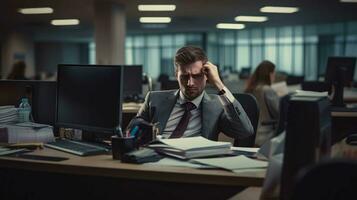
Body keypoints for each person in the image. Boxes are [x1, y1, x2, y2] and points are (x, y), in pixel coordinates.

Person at [127, 46, 253, 142]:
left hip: (195, 165)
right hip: (155, 160)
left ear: (207, 76)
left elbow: (244, 132)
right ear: (176, 75)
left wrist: (219, 84)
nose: (190, 83)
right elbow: (130, 131)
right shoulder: (154, 98)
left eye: (197, 76)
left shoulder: (218, 106)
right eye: (185, 76)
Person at [245, 60, 280, 146]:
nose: (274, 77)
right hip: (266, 135)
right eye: (273, 74)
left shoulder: (251, 89)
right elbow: (279, 112)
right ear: (269, 74)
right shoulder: (267, 90)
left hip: (251, 134)